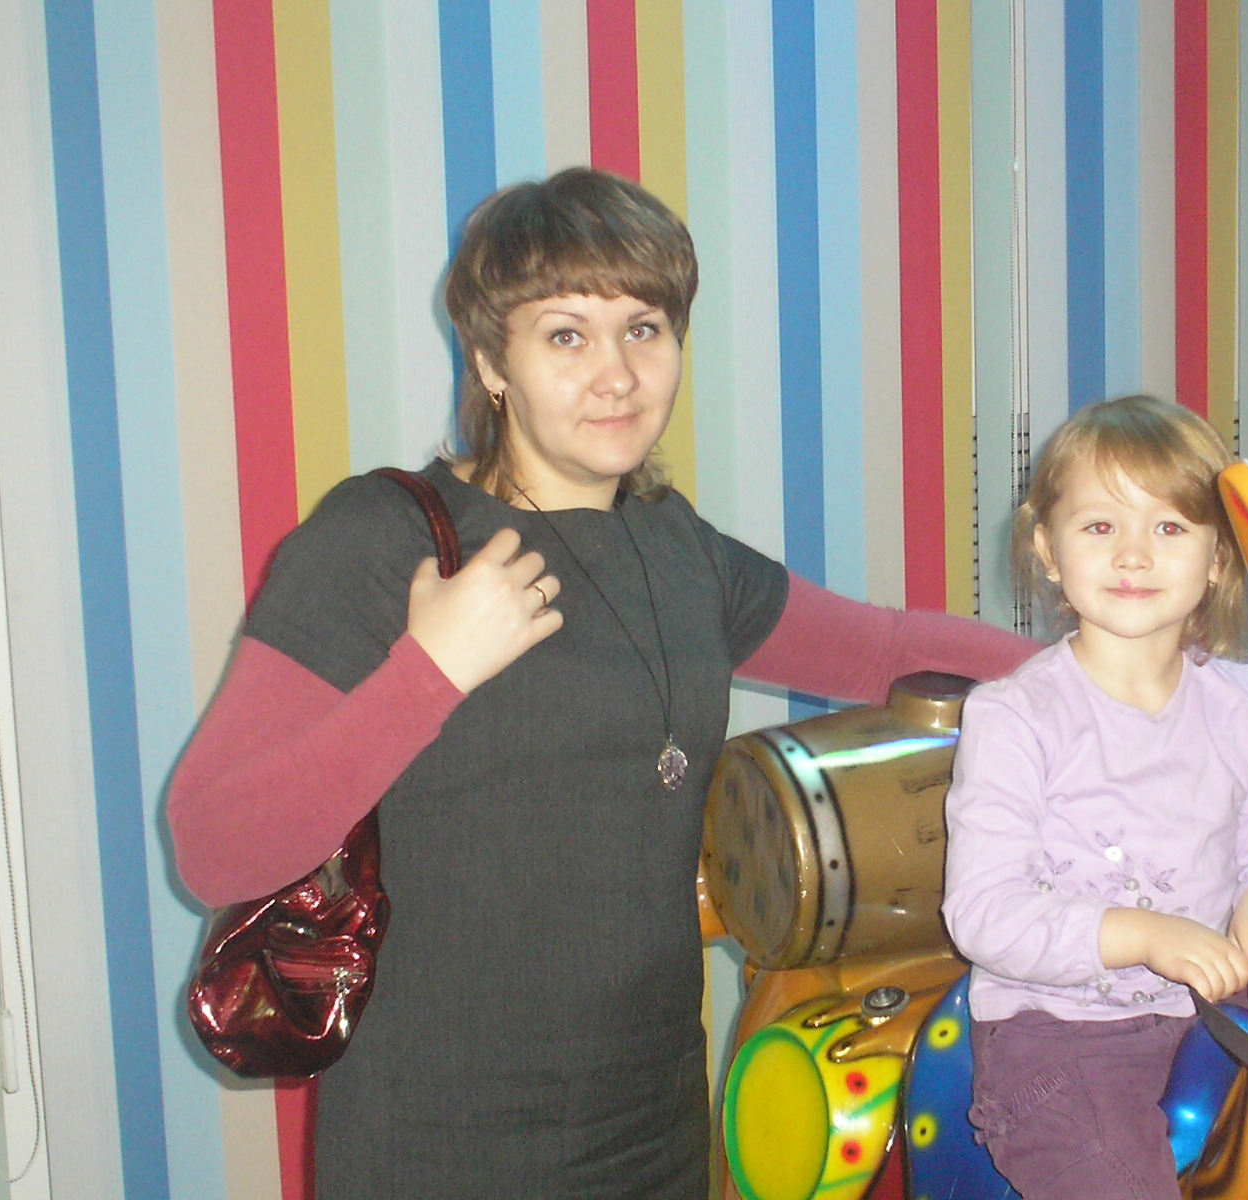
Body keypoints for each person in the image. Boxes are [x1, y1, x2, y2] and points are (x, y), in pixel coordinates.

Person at [168, 167, 1040, 1200]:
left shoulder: (677, 550)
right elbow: (214, 846)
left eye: (644, 329)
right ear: (490, 360)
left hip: (650, 1127)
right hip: (439, 1145)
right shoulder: (379, 541)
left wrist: (1128, 670)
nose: (617, 375)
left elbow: (883, 648)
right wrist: (431, 672)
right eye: (566, 335)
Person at [940, 394, 1248, 1200]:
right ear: (1048, 550)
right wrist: (1144, 935)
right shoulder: (1016, 717)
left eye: (1169, 528)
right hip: (1059, 1036)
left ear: (1219, 557)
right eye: (1101, 526)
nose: (1133, 555)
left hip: (1214, 1009)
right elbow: (983, 913)